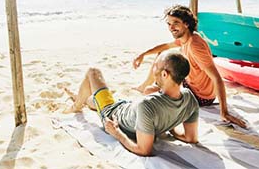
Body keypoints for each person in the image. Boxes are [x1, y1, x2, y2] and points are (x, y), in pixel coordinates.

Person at [63, 51, 199, 156]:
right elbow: (190, 138)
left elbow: (143, 150)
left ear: (164, 74)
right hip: (131, 109)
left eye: (155, 66)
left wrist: (116, 133)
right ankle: (82, 98)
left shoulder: (147, 105)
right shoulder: (190, 98)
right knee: (147, 90)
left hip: (113, 111)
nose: (153, 70)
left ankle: (76, 106)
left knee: (93, 72)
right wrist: (171, 125)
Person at [133, 5, 246, 129]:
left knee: (149, 92)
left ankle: (151, 89)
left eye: (175, 23)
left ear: (186, 24)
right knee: (162, 55)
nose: (171, 28)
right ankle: (145, 86)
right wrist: (143, 54)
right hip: (189, 83)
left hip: (201, 96)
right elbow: (165, 46)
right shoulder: (186, 37)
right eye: (169, 24)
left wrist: (224, 112)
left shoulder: (195, 46)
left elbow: (217, 78)